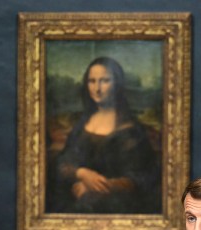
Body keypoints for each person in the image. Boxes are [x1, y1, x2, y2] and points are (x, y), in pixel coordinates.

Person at [49, 56, 160, 214]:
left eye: (105, 81)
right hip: (75, 197)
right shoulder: (84, 123)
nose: (97, 88)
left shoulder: (130, 130)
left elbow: (142, 177)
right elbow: (64, 161)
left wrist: (97, 186)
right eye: (92, 81)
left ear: (117, 84)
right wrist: (81, 173)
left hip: (116, 205)